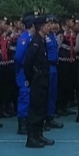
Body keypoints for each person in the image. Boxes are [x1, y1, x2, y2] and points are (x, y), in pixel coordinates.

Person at [23, 16, 55, 148]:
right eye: (47, 25)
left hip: (43, 79)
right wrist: (32, 78)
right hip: (38, 80)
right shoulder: (35, 42)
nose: (50, 27)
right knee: (35, 109)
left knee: (41, 108)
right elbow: (27, 63)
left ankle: (39, 134)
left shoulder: (42, 41)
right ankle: (32, 137)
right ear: (41, 27)